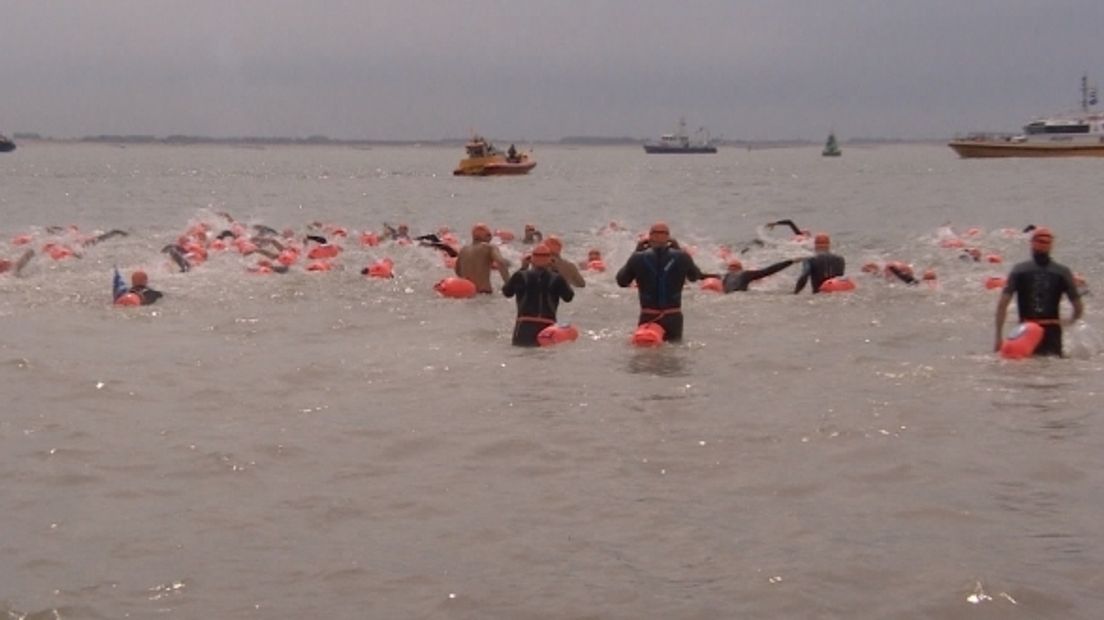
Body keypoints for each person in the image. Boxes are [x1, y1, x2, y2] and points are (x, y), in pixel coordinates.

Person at [616, 222, 716, 342]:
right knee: (673, 354)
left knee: (646, 355)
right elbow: (694, 276)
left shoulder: (637, 258)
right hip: (673, 316)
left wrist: (636, 251)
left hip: (649, 316)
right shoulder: (682, 257)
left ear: (650, 237)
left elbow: (621, 281)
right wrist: (678, 249)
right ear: (668, 238)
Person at [994, 227, 1084, 357]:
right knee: (1052, 369)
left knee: (1026, 369)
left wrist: (998, 337)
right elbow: (1078, 307)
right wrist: (1070, 322)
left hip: (1026, 331)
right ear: (1051, 246)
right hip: (1052, 331)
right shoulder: (1062, 272)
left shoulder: (1019, 270)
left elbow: (1002, 305)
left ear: (1032, 244)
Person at [502, 244, 574, 346]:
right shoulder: (557, 278)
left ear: (532, 260)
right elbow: (568, 297)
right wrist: (556, 270)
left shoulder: (520, 275)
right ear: (550, 260)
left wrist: (523, 267)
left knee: (520, 358)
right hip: (547, 328)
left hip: (524, 326)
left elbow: (507, 292)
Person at [455, 223, 511, 294]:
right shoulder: (489, 247)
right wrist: (509, 285)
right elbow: (500, 262)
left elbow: (458, 271)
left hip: (469, 294)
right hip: (485, 293)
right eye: (489, 235)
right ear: (484, 236)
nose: (490, 238)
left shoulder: (463, 250)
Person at [722, 257, 796, 293]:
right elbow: (768, 271)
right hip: (740, 297)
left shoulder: (726, 276)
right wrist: (790, 262)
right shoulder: (745, 274)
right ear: (741, 268)